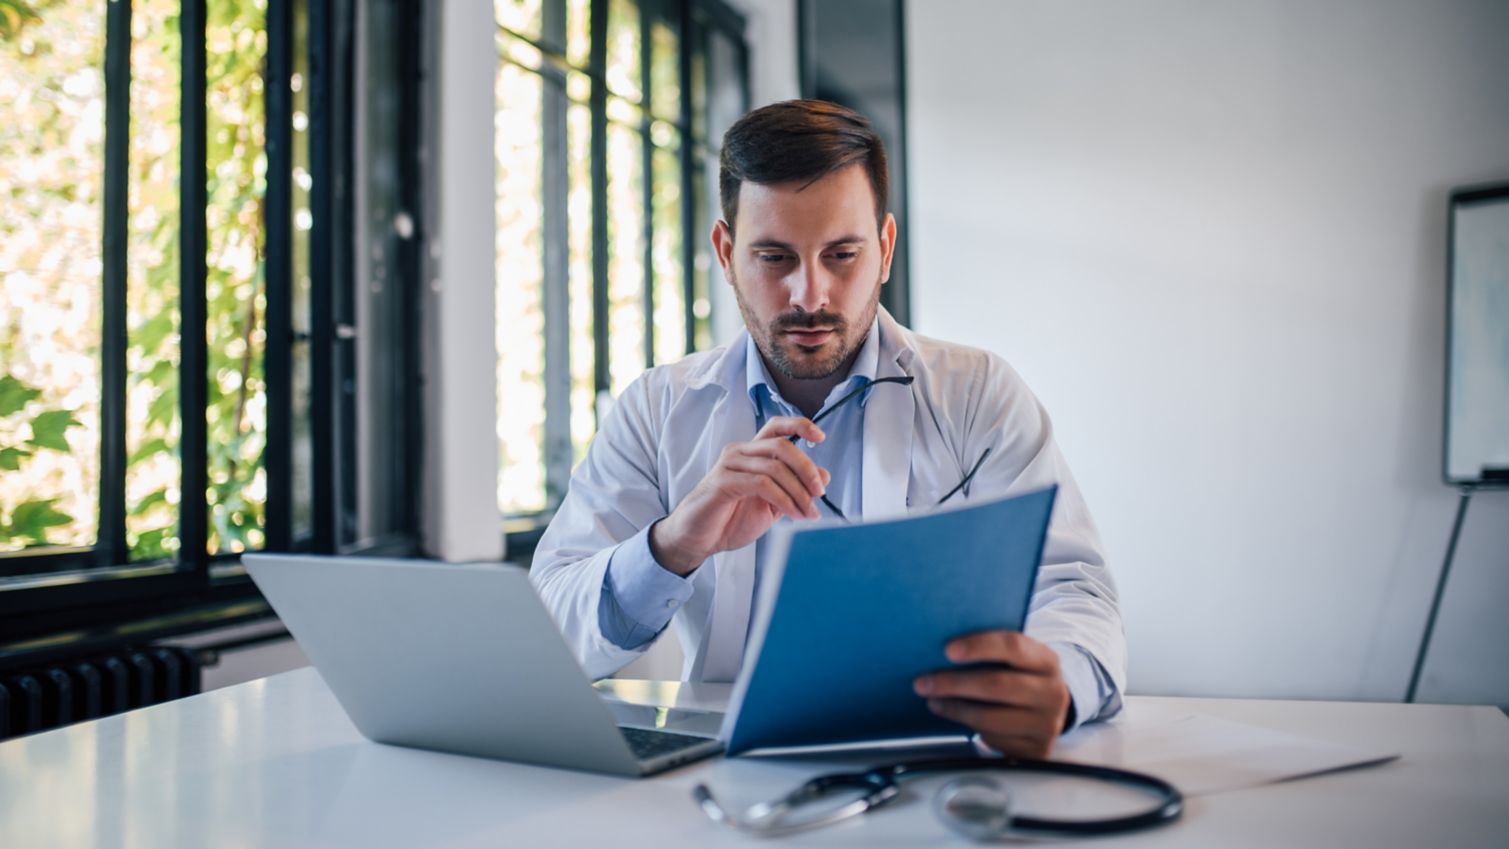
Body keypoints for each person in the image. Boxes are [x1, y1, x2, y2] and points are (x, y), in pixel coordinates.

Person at [531, 100, 1124, 758]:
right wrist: (671, 544)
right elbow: (548, 627)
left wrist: (1059, 686)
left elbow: (1072, 586)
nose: (809, 295)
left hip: (941, 757)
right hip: (724, 775)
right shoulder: (657, 410)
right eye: (773, 257)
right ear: (726, 253)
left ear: (885, 248)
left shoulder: (977, 394)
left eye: (841, 254)